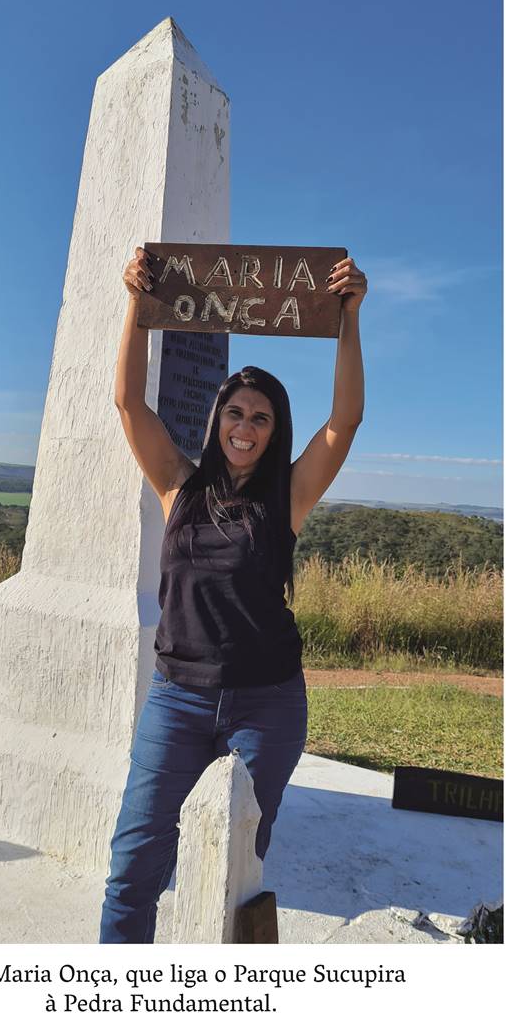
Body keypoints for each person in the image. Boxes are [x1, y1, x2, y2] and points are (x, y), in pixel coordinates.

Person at [99, 246, 367, 944]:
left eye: (261, 419)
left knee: (235, 863)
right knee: (134, 858)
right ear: (218, 420)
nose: (244, 428)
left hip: (266, 702)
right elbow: (129, 401)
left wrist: (350, 321)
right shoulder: (176, 486)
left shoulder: (288, 501)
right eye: (235, 413)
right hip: (177, 697)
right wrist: (135, 303)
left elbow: (343, 425)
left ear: (273, 433)